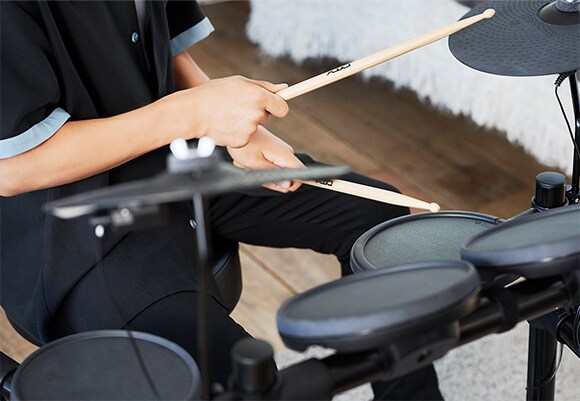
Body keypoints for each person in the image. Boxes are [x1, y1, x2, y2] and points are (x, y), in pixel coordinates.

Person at [0, 1, 442, 399]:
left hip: (177, 161)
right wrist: (193, 114)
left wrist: (239, 133)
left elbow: (163, 46)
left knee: (383, 225)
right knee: (242, 379)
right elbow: (14, 167)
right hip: (72, 229)